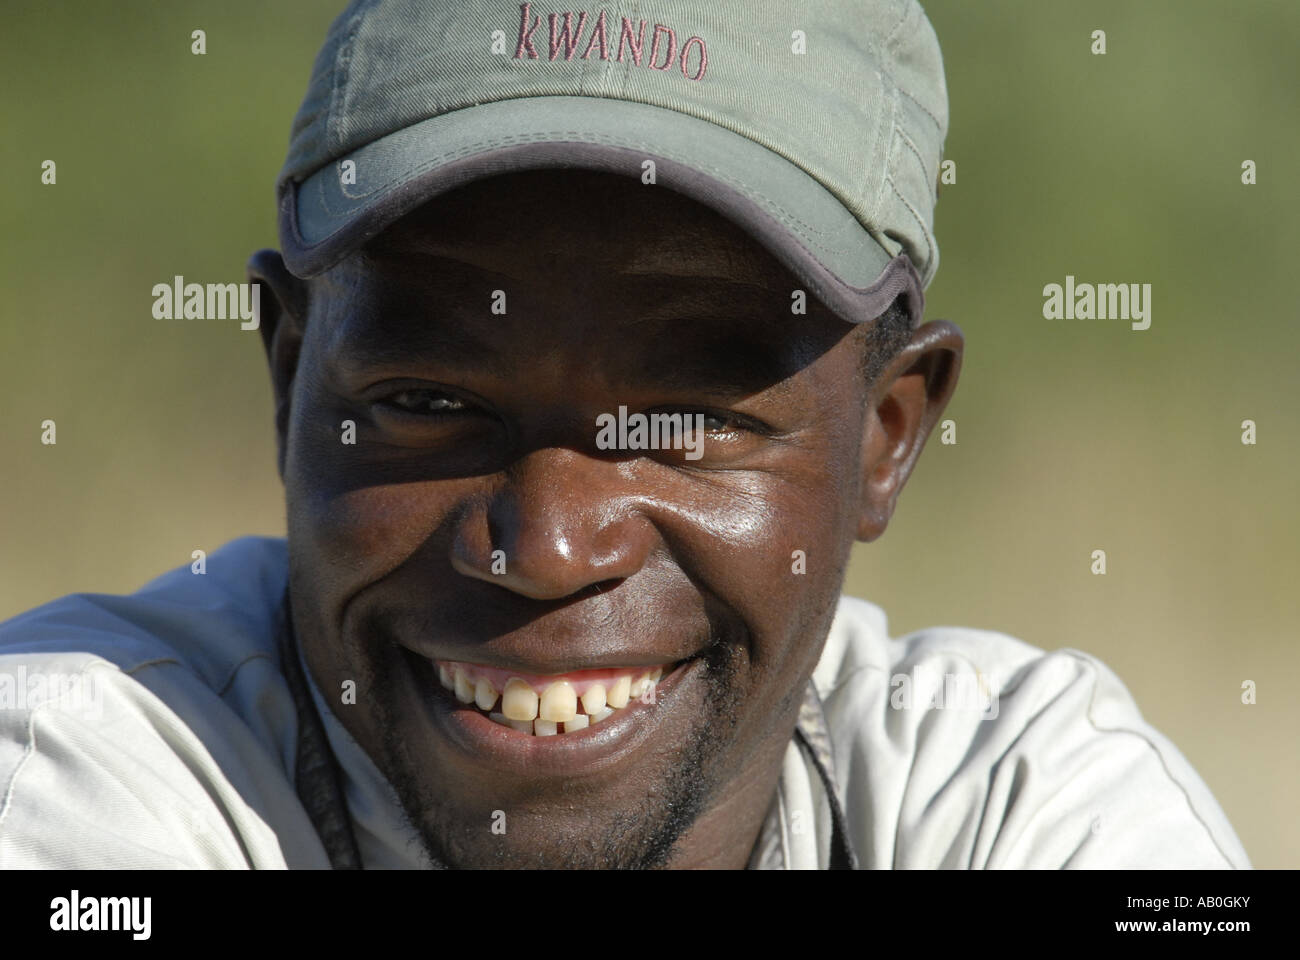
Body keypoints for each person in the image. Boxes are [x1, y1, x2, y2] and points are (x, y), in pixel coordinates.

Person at [0, 0, 1248, 869]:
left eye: (685, 423)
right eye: (429, 402)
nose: (544, 549)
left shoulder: (1015, 806)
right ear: (290, 380)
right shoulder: (79, 770)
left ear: (885, 435)